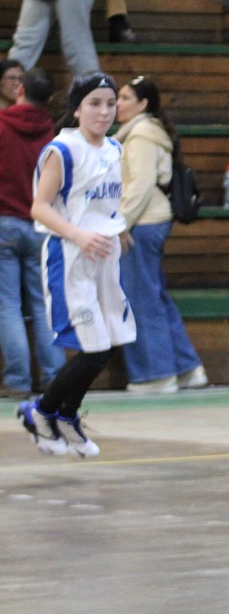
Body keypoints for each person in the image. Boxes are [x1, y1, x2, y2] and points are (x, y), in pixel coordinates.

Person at [17, 72, 136, 458]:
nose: (104, 111)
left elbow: (102, 202)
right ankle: (42, 411)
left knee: (109, 345)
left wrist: (118, 229)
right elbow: (39, 207)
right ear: (78, 108)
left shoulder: (114, 148)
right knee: (94, 350)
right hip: (70, 258)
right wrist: (79, 234)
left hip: (104, 257)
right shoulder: (62, 150)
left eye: (110, 103)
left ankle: (62, 413)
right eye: (95, 104)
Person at [115, 76, 207, 394]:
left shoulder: (140, 136)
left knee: (141, 299)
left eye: (125, 98)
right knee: (156, 297)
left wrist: (120, 225)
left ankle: (155, 375)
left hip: (141, 223)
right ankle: (186, 368)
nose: (118, 103)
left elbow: (139, 186)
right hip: (152, 222)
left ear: (143, 104)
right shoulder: (149, 132)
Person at [0, 66, 64, 399]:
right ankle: (54, 377)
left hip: (4, 223)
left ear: (20, 90)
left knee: (7, 306)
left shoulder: (1, 125)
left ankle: (17, 381)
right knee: (43, 306)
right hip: (42, 224)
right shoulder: (51, 132)